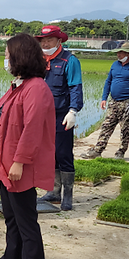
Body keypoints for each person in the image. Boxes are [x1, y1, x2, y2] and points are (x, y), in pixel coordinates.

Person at [0, 34, 55, 259]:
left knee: (26, 220)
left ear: (20, 57)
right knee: (11, 216)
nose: (5, 59)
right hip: (6, 165)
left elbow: (32, 129)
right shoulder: (20, 85)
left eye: (7, 54)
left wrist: (20, 161)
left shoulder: (36, 88)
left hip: (19, 167)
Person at [36, 25, 83, 211]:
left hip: (62, 115)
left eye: (49, 40)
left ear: (59, 41)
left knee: (63, 153)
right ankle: (54, 191)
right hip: (43, 116)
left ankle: (68, 195)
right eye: (43, 40)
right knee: (49, 153)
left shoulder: (69, 60)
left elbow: (75, 87)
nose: (45, 43)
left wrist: (73, 110)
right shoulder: (39, 60)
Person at [82, 42, 129, 160]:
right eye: (118, 53)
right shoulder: (115, 65)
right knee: (106, 126)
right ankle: (98, 150)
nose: (119, 55)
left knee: (125, 129)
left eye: (121, 53)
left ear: (128, 53)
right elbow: (108, 81)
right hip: (113, 101)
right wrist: (104, 98)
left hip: (127, 102)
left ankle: (120, 152)